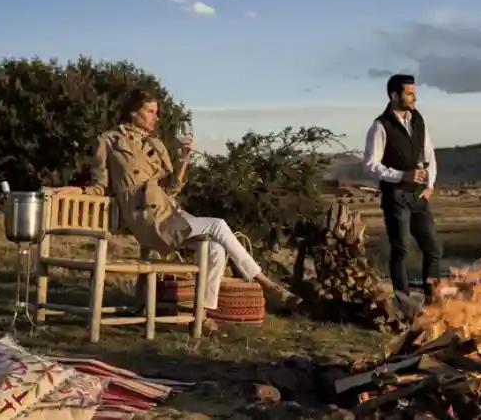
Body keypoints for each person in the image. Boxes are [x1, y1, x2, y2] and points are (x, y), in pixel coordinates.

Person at [54, 88, 302, 324]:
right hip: (147, 220)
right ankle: (266, 283)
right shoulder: (109, 141)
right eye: (150, 111)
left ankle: (201, 314)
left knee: (216, 249)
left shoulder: (156, 145)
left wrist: (183, 160)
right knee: (219, 224)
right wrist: (78, 190)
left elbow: (170, 189)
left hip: (170, 212)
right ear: (133, 112)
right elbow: (101, 185)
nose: (156, 117)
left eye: (157, 112)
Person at [363, 74, 447, 302]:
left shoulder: (418, 120)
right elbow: (371, 165)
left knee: (433, 249)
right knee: (401, 250)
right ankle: (403, 301)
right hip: (396, 196)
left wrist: (429, 186)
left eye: (414, 92)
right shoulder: (380, 126)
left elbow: (429, 153)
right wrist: (402, 175)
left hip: (419, 196)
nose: (414, 97)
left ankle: (432, 296)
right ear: (394, 95)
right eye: (409, 93)